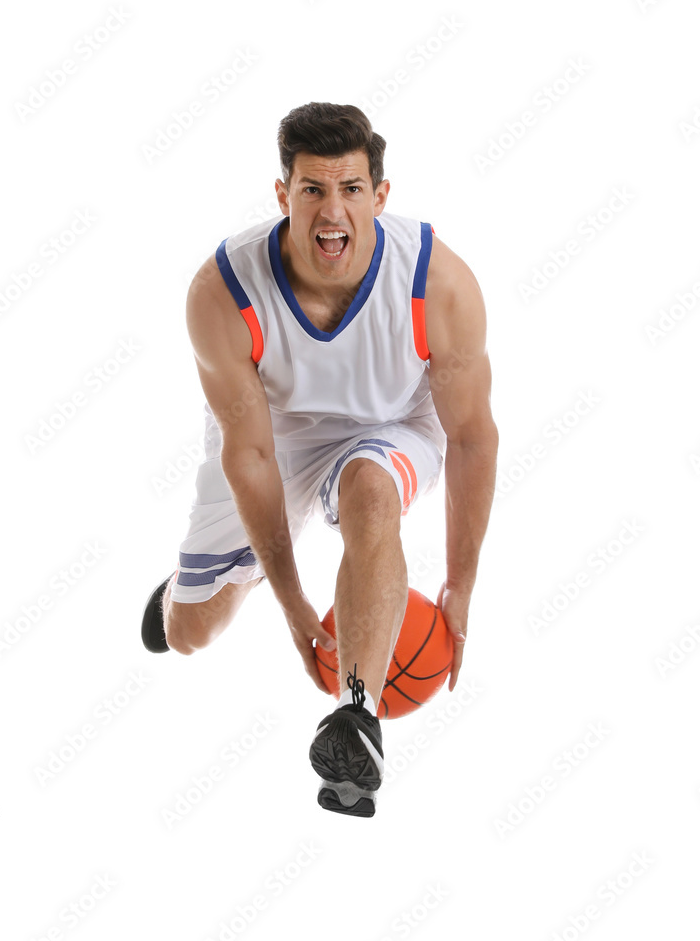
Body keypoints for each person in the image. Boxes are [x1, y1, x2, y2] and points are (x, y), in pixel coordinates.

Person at [141, 102, 499, 817]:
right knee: (190, 635)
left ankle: (355, 712)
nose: (331, 211)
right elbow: (248, 455)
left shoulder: (438, 280)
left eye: (350, 190)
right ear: (283, 196)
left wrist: (459, 583)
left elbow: (470, 437)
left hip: (393, 423)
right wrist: (291, 598)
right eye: (312, 190)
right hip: (274, 434)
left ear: (380, 196)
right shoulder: (222, 291)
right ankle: (210, 584)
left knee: (371, 491)